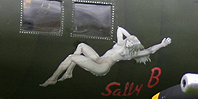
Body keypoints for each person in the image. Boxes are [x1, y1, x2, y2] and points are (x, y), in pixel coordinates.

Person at [41, 27, 171, 86]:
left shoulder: (130, 54)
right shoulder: (120, 43)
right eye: (130, 40)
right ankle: (69, 72)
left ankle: (53, 79)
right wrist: (130, 35)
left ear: (134, 46)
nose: (129, 42)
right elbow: (120, 29)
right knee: (80, 46)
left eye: (132, 42)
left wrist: (162, 44)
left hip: (101, 67)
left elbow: (149, 51)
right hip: (97, 59)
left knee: (71, 57)